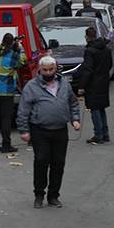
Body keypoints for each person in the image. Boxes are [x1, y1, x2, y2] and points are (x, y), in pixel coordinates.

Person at [16, 56, 81, 209]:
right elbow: (23, 110)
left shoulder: (64, 84)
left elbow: (73, 102)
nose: (48, 72)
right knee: (41, 160)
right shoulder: (32, 86)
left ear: (55, 68)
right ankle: (39, 195)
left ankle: (53, 196)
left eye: (51, 69)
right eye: (44, 70)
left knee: (58, 163)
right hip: (40, 130)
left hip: (60, 129)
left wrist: (75, 119)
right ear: (40, 70)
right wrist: (24, 130)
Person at [0, 33, 27, 153]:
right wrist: (20, 47)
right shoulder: (14, 55)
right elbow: (23, 62)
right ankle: (6, 145)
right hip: (6, 92)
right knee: (6, 119)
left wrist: (12, 46)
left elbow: (2, 53)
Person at [77, 26, 113, 144]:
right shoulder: (105, 49)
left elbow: (87, 70)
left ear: (87, 37)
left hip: (93, 84)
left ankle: (98, 135)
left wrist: (82, 86)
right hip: (103, 82)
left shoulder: (89, 51)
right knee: (101, 107)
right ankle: (105, 133)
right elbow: (109, 64)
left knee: (94, 109)